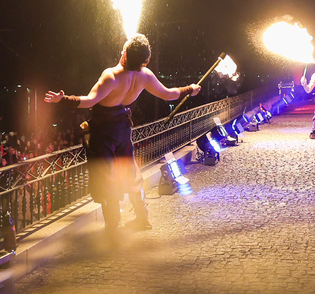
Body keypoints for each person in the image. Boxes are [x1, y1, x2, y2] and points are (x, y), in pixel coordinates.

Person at [44, 34, 200, 231]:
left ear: (125, 54)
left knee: (105, 178)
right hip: (123, 131)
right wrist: (190, 88)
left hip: (103, 134)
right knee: (131, 174)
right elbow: (169, 95)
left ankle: (113, 226)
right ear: (145, 59)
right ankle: (142, 218)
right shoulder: (145, 76)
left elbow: (89, 101)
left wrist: (63, 99)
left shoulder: (111, 75)